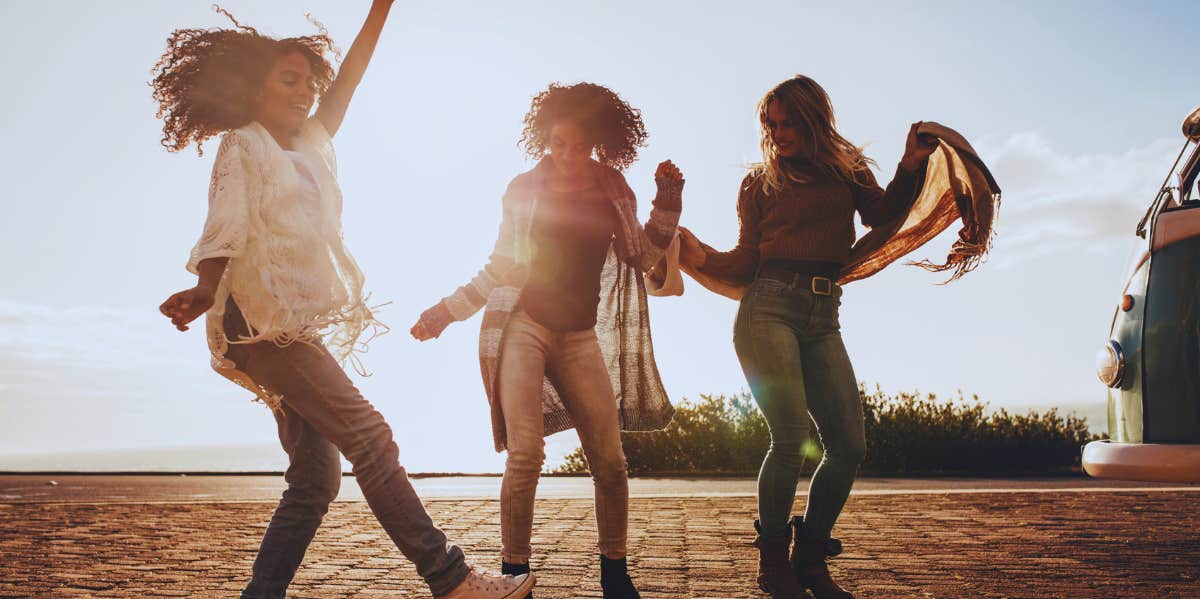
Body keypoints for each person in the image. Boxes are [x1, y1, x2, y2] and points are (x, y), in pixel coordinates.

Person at [153, 3, 533, 597]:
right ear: (253, 89)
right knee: (370, 437)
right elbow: (225, 218)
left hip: (290, 327)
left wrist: (380, 9)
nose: (304, 91)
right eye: (288, 79)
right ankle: (450, 579)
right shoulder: (244, 145)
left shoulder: (309, 140)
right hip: (259, 326)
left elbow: (349, 78)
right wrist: (205, 285)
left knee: (315, 478)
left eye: (309, 82)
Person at [411, 82, 683, 599]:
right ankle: (517, 576)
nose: (569, 155)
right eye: (559, 144)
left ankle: (615, 573)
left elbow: (642, 255)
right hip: (524, 327)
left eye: (580, 146)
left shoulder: (613, 187)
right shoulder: (523, 188)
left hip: (578, 335)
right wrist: (444, 313)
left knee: (609, 459)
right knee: (526, 454)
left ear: (597, 142)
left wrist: (667, 203)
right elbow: (500, 266)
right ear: (546, 139)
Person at [676, 75, 937, 599]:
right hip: (767, 308)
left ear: (814, 118)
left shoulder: (848, 170)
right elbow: (748, 259)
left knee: (849, 446)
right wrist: (702, 256)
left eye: (788, 121)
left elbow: (882, 215)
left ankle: (811, 559)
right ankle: (774, 564)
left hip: (825, 314)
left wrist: (911, 165)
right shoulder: (759, 183)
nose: (778, 133)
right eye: (771, 125)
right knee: (790, 437)